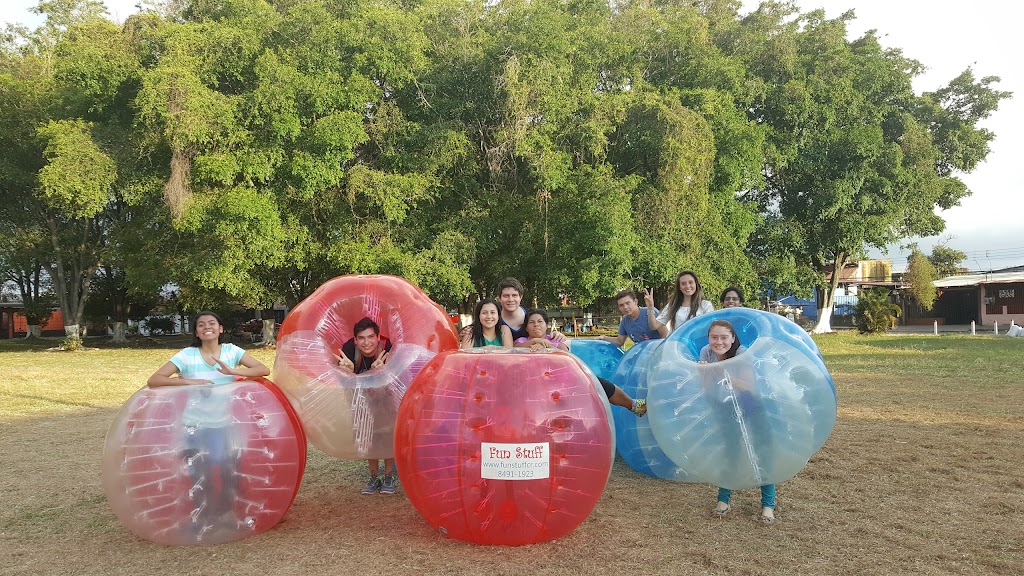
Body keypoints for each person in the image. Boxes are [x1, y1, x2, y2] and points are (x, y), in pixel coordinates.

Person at [147, 311, 271, 535]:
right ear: (196, 332)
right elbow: (155, 380)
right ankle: (203, 517)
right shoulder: (187, 355)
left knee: (226, 468)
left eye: (212, 323)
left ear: (220, 328)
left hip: (222, 425)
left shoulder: (231, 351)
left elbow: (263, 370)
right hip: (194, 425)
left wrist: (233, 371)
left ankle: (225, 514)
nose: (207, 327)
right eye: (201, 324)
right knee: (199, 473)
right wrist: (189, 383)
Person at [698, 320, 775, 523]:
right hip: (725, 405)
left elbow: (749, 386)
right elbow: (706, 388)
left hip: (751, 404)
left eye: (724, 337)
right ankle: (723, 500)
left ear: (733, 338)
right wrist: (704, 373)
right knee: (730, 451)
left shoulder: (742, 353)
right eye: (714, 337)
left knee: (761, 451)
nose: (719, 342)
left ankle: (768, 505)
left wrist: (719, 371)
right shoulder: (706, 352)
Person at [516, 309, 647, 417]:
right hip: (535, 385)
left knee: (598, 383)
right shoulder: (522, 341)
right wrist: (535, 342)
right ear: (526, 327)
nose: (536, 325)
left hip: (561, 381)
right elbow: (516, 349)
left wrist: (547, 346)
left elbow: (566, 358)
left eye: (540, 321)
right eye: (531, 322)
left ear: (546, 325)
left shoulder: (556, 340)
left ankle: (634, 405)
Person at [332, 317, 398, 495]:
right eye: (361, 338)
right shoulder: (348, 350)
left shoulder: (387, 348)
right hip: (362, 398)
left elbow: (397, 379)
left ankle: (389, 476)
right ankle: (374, 476)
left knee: (387, 433)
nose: (366, 342)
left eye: (370, 337)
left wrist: (382, 372)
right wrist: (348, 373)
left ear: (378, 337)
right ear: (355, 340)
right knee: (368, 434)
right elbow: (343, 384)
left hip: (386, 398)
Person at [496, 277, 567, 344]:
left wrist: (555, 335)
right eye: (506, 296)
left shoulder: (531, 316)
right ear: (499, 298)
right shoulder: (494, 320)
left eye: (514, 295)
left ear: (521, 297)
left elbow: (543, 334)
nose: (511, 300)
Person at [644, 270, 715, 337]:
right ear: (679, 287)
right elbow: (654, 326)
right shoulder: (673, 305)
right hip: (675, 343)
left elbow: (710, 328)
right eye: (683, 284)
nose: (687, 286)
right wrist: (650, 308)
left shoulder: (706, 305)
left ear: (696, 284)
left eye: (690, 282)